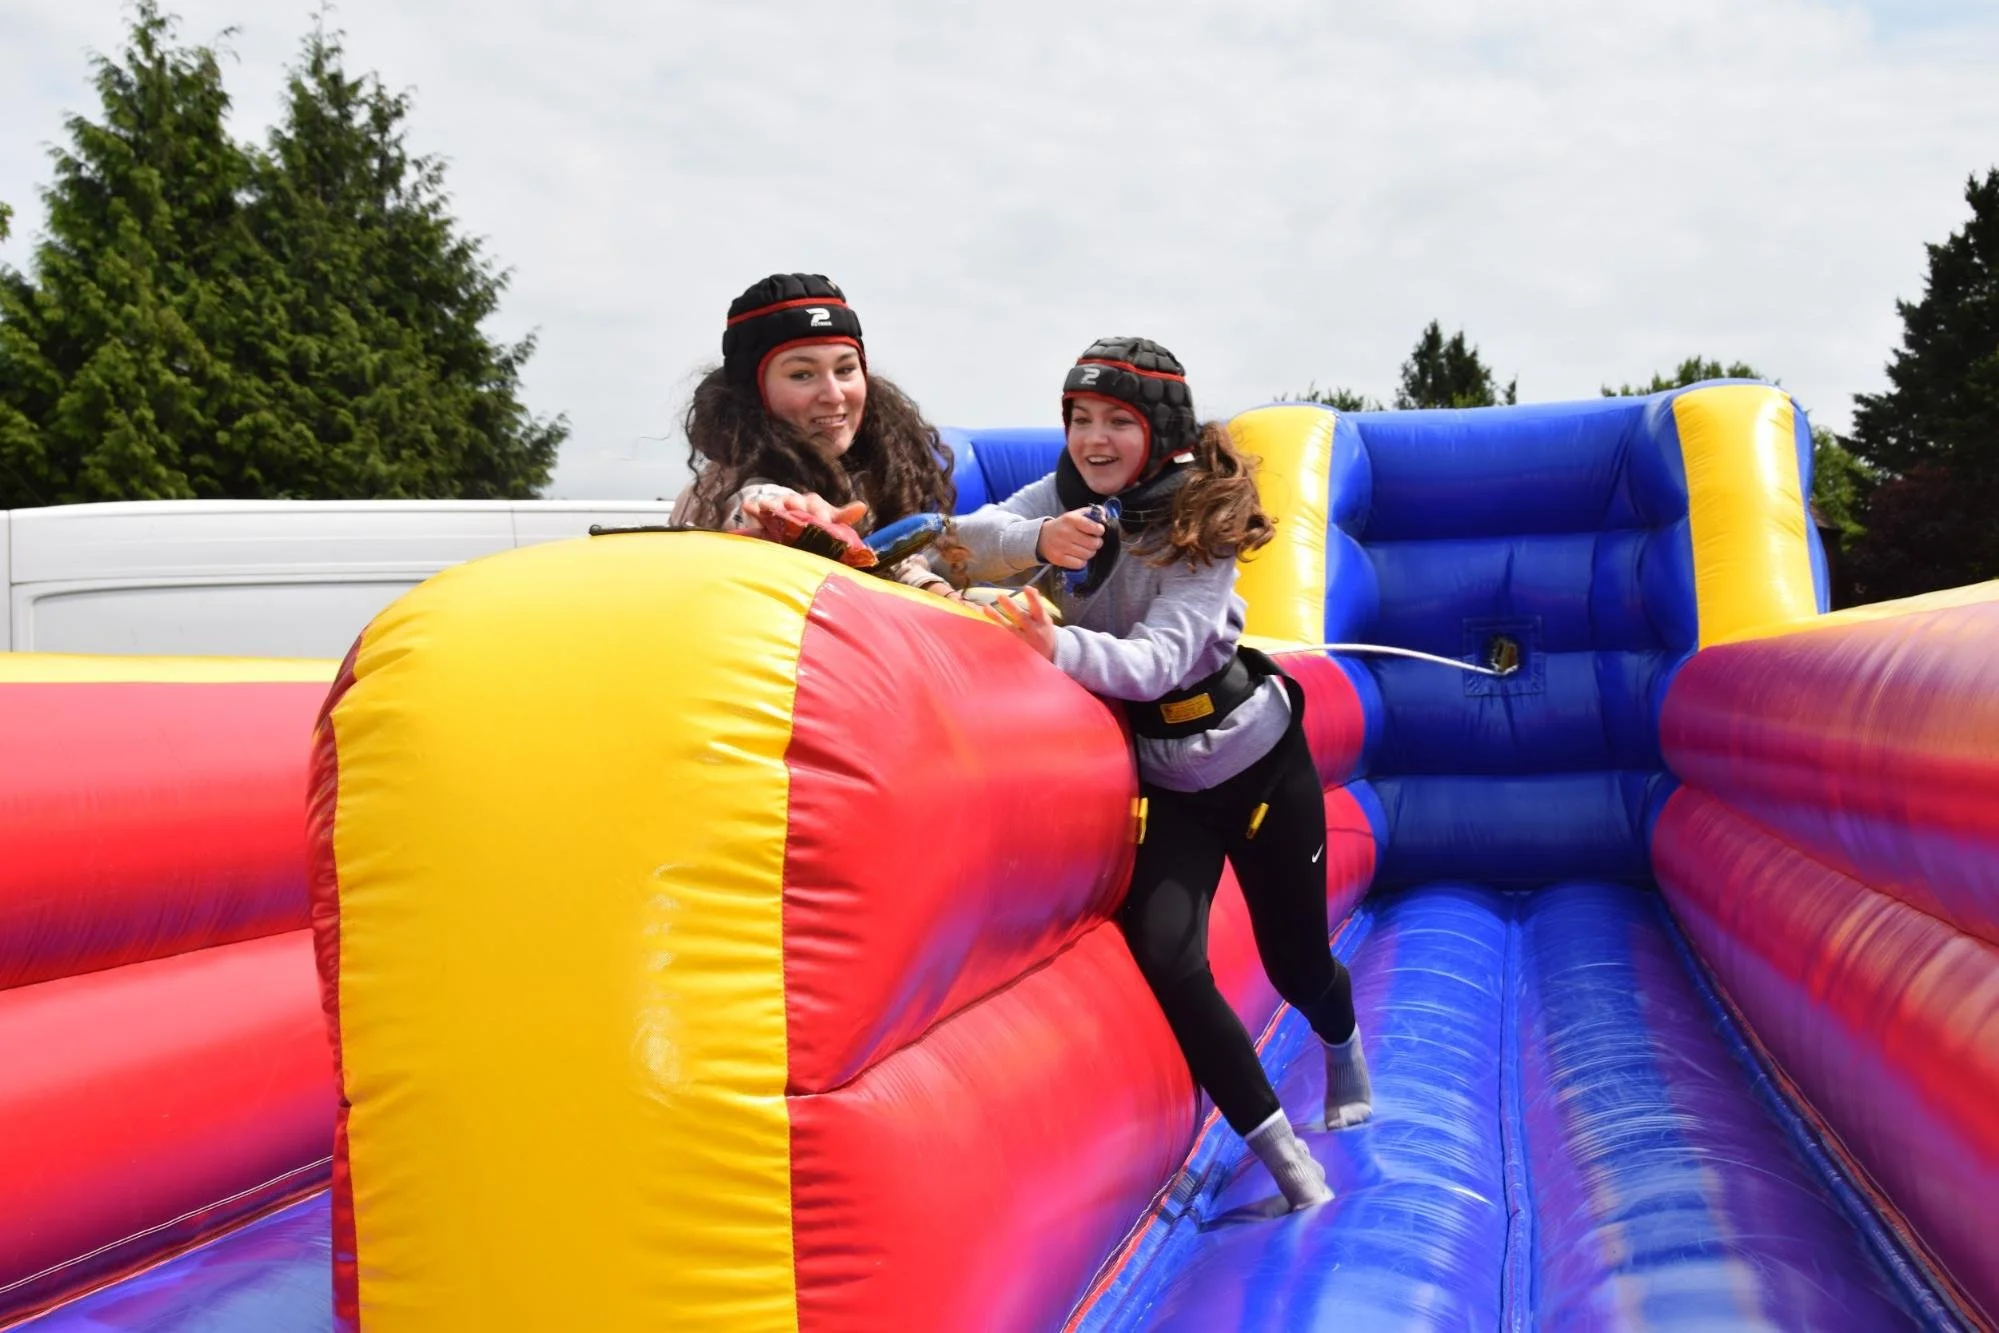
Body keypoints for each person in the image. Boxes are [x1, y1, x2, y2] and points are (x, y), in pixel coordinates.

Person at [953, 337, 1372, 1212]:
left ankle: (1341, 1044)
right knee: (1168, 957)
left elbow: (1159, 660)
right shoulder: (1065, 493)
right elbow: (964, 541)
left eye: (1116, 422)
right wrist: (1035, 537)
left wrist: (1052, 642)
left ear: (1161, 434)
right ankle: (1283, 1153)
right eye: (1078, 419)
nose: (1092, 440)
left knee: (1295, 963)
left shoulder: (1199, 517)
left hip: (1255, 762)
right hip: (1165, 779)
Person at [671, 273, 958, 594]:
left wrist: (936, 589)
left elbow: (882, 555)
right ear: (753, 393)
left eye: (845, 369)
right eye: (802, 374)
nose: (834, 395)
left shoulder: (862, 470)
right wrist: (792, 517)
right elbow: (756, 504)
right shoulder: (726, 485)